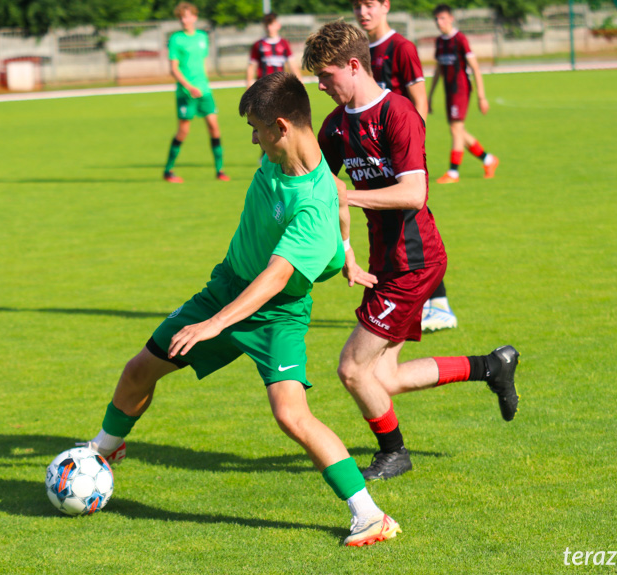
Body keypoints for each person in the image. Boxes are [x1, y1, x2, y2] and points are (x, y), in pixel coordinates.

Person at [82, 72, 401, 547]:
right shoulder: (283, 158)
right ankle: (103, 452)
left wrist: (214, 324)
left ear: (281, 126)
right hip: (225, 286)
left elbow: (275, 277)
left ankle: (370, 516)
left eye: (256, 128)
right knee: (137, 371)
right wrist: (347, 253)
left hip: (276, 313)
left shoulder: (310, 207)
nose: (252, 138)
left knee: (291, 415)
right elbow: (341, 195)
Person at [303, 21, 520, 482]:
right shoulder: (336, 125)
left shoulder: (397, 114)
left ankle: (394, 453)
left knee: (351, 369)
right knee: (386, 379)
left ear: (354, 66)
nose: (320, 86)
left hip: (413, 261)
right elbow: (317, 181)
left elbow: (413, 193)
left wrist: (349, 196)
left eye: (325, 76)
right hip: (386, 262)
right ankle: (493, 366)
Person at [352, 0, 457, 332]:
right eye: (356, 6)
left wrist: (410, 154)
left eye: (369, 4)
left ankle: (436, 305)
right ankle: (428, 305)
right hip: (373, 155)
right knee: (393, 231)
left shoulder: (402, 47)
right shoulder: (360, 49)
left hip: (399, 157)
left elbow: (419, 100)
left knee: (412, 227)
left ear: (385, 5)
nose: (362, 12)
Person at [428, 4, 499, 186]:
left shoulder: (460, 39)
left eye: (442, 18)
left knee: (455, 130)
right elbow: (438, 69)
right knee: (459, 130)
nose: (439, 22)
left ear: (451, 18)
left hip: (461, 90)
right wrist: (429, 95)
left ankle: (453, 172)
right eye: (436, 19)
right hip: (448, 91)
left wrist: (482, 97)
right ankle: (488, 160)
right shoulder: (440, 42)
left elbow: (475, 67)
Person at [163, 2, 229, 184]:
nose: (185, 20)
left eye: (187, 16)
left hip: (204, 91)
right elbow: (174, 69)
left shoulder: (202, 37)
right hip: (186, 92)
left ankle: (220, 170)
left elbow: (202, 64)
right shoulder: (176, 39)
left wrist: (203, 84)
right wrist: (189, 86)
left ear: (194, 17)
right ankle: (168, 171)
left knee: (214, 128)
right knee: (183, 131)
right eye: (181, 17)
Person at [246, 13, 301, 89]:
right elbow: (252, 66)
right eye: (267, 25)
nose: (269, 28)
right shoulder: (258, 44)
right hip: (263, 85)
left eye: (271, 24)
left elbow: (292, 64)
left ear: (278, 25)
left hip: (280, 85)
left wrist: (300, 81)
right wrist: (249, 83)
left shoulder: (284, 43)